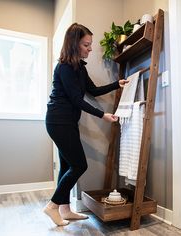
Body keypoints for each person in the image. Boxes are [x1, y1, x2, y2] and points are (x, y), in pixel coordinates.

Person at [43, 23, 128, 226]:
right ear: (74, 44)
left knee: (66, 165)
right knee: (79, 164)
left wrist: (118, 83)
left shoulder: (79, 68)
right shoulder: (64, 67)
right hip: (58, 121)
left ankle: (65, 210)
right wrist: (102, 115)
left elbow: (93, 91)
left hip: (68, 122)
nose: (90, 49)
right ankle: (53, 206)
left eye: (90, 44)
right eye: (86, 45)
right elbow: (76, 100)